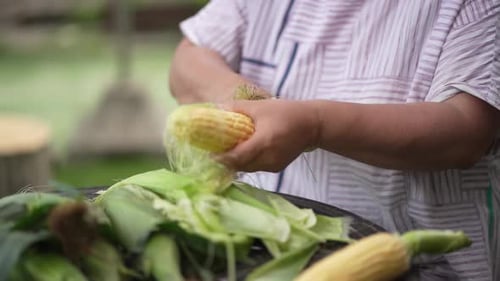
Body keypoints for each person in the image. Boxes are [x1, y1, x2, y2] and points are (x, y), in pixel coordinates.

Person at [168, 0, 500, 280]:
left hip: (420, 264)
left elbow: (466, 129)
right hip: (271, 255)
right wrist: (239, 101)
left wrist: (315, 126)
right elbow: (189, 58)